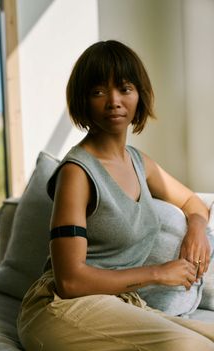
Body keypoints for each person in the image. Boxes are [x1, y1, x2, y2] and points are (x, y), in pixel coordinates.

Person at [17, 40, 214, 350]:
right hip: (61, 307)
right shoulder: (77, 173)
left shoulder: (138, 162)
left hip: (120, 304)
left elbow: (193, 202)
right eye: (98, 92)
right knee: (189, 346)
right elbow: (70, 282)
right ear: (83, 100)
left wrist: (196, 229)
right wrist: (159, 274)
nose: (114, 101)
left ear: (139, 95)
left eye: (124, 88)